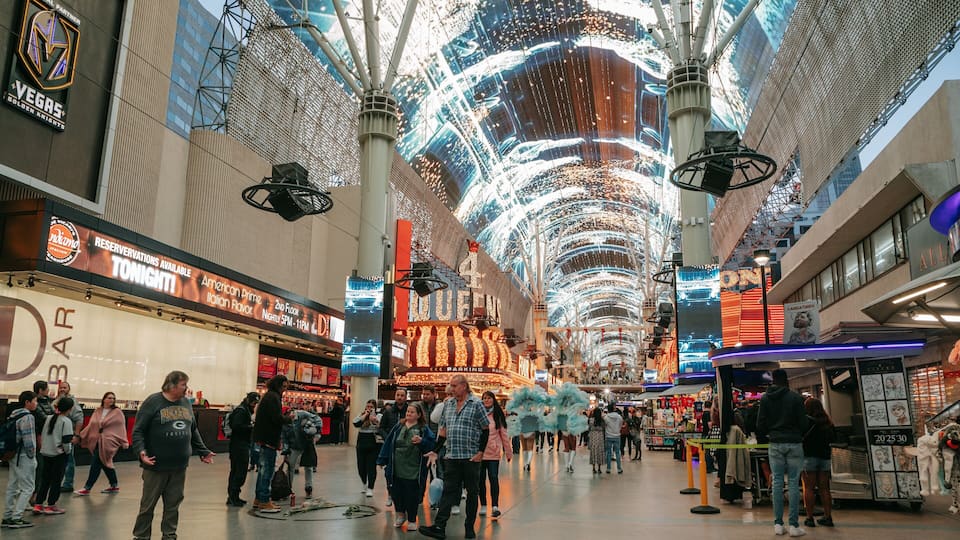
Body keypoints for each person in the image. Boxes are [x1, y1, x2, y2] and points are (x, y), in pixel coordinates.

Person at [131, 371, 215, 540]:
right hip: (156, 465)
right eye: (183, 384)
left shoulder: (186, 403)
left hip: (179, 466)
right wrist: (141, 451)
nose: (186, 388)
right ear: (171, 385)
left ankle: (169, 535)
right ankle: (141, 536)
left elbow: (192, 429)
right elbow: (138, 430)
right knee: (147, 506)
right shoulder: (153, 402)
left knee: (173, 505)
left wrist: (203, 451)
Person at [419, 374, 490, 540]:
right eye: (450, 385)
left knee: (472, 492)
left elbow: (486, 429)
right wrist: (435, 450)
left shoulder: (476, 404)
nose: (451, 388)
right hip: (452, 456)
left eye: (454, 385)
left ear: (464, 386)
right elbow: (443, 431)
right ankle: (439, 527)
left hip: (470, 457)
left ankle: (469, 527)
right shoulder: (448, 404)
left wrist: (481, 452)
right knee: (448, 491)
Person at [757, 369, 809, 537]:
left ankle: (778, 524)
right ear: (786, 380)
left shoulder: (765, 398)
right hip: (794, 443)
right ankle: (794, 525)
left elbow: (760, 424)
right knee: (794, 483)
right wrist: (796, 433)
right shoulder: (795, 398)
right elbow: (804, 423)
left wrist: (771, 433)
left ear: (773, 380)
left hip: (775, 443)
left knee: (777, 482)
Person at [378, 402, 436, 531]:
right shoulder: (399, 426)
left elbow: (432, 445)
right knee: (396, 492)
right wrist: (382, 459)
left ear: (419, 415)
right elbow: (389, 442)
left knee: (412, 494)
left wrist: (422, 441)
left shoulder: (423, 429)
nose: (409, 413)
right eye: (408, 411)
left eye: (412, 412)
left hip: (414, 468)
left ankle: (411, 519)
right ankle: (400, 515)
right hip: (396, 466)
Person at [251, 375, 291, 514]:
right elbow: (276, 418)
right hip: (269, 439)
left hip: (262, 438)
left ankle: (259, 499)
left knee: (263, 471)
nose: (285, 390)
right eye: (283, 386)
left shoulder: (268, 396)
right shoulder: (274, 398)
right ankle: (264, 501)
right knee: (267, 471)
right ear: (278, 385)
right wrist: (289, 418)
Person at [76, 392, 128, 496]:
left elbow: (121, 427)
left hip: (109, 442)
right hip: (96, 441)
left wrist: (124, 441)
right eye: (109, 398)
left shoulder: (117, 412)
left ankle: (87, 487)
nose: (111, 400)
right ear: (104, 399)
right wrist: (81, 435)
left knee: (96, 463)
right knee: (105, 463)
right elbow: (91, 425)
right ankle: (114, 485)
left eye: (113, 398)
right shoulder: (98, 411)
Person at [2, 391, 39, 529]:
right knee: (28, 488)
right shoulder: (28, 417)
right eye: (34, 401)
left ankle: (7, 516)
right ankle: (17, 517)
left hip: (13, 455)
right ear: (27, 402)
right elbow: (28, 440)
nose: (36, 404)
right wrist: (32, 455)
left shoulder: (13, 415)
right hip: (24, 456)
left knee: (13, 486)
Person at [33, 397, 74, 515]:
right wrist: (67, 451)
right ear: (70, 409)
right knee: (56, 480)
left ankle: (38, 504)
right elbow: (66, 440)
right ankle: (51, 505)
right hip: (59, 454)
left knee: (45, 480)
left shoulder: (49, 418)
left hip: (46, 453)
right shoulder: (66, 421)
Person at [802, 397, 835, 528]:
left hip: (809, 457)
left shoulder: (806, 422)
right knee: (825, 489)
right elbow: (833, 438)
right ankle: (828, 517)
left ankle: (810, 518)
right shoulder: (827, 421)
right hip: (825, 457)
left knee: (809, 488)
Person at [478, 391, 511, 518]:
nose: (486, 400)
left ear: (493, 400)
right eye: (484, 398)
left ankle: (495, 506)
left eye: (489, 398)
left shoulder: (498, 415)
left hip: (493, 453)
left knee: (493, 478)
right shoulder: (478, 414)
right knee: (480, 480)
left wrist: (508, 451)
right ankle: (483, 504)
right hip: (480, 452)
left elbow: (504, 434)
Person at [226, 392, 259, 506]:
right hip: (239, 445)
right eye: (254, 402)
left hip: (238, 444)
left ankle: (233, 496)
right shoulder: (241, 411)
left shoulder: (244, 409)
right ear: (249, 400)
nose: (254, 405)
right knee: (239, 471)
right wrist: (250, 427)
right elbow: (236, 426)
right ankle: (233, 497)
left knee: (236, 470)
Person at [282, 406, 322, 499]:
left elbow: (318, 420)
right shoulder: (285, 422)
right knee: (290, 467)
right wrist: (285, 451)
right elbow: (284, 437)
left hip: (307, 445)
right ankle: (288, 489)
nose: (290, 417)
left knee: (308, 467)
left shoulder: (302, 414)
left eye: (290, 415)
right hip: (294, 446)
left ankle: (309, 488)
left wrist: (317, 433)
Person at [53, 381, 83, 493]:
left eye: (65, 388)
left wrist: (77, 435)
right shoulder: (56, 400)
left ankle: (68, 483)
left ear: (69, 389)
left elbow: (79, 419)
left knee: (69, 460)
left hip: (68, 435)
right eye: (61, 387)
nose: (62, 389)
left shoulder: (72, 402)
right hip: (56, 436)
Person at [354, 399, 382, 497]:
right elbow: (355, 423)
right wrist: (365, 415)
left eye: (371, 407)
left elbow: (381, 427)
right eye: (368, 406)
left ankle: (370, 488)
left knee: (371, 467)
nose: (369, 409)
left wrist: (375, 420)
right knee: (361, 467)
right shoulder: (361, 415)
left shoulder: (379, 416)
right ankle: (364, 483)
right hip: (361, 443)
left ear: (375, 408)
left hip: (373, 444)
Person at [603, 404, 624, 474]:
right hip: (617, 436)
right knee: (617, 452)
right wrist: (617, 430)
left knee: (608, 452)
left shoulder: (606, 417)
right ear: (614, 409)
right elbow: (621, 425)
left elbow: (605, 426)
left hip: (608, 436)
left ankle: (608, 468)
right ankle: (619, 468)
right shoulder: (619, 417)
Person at [588, 407, 605, 474]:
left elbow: (589, 428)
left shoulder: (591, 420)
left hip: (593, 437)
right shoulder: (602, 420)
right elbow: (604, 428)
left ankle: (593, 468)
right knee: (599, 452)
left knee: (593, 452)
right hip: (600, 437)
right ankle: (599, 469)